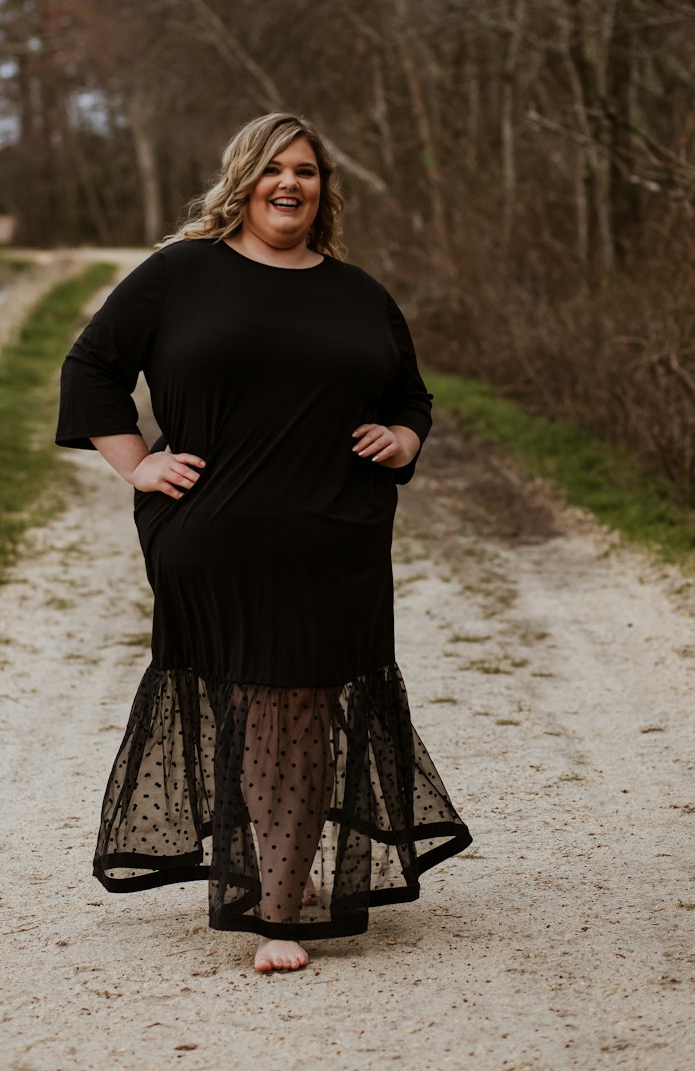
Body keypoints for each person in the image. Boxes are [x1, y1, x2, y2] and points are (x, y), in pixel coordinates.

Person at [55, 112, 472, 973]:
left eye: (308, 171)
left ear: (325, 189)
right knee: (264, 705)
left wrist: (403, 441)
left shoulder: (357, 292)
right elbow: (91, 366)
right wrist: (137, 465)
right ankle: (278, 898)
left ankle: (273, 893)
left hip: (337, 537)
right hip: (216, 534)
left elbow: (411, 397)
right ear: (240, 180)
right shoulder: (180, 274)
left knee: (298, 707)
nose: (291, 184)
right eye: (274, 169)